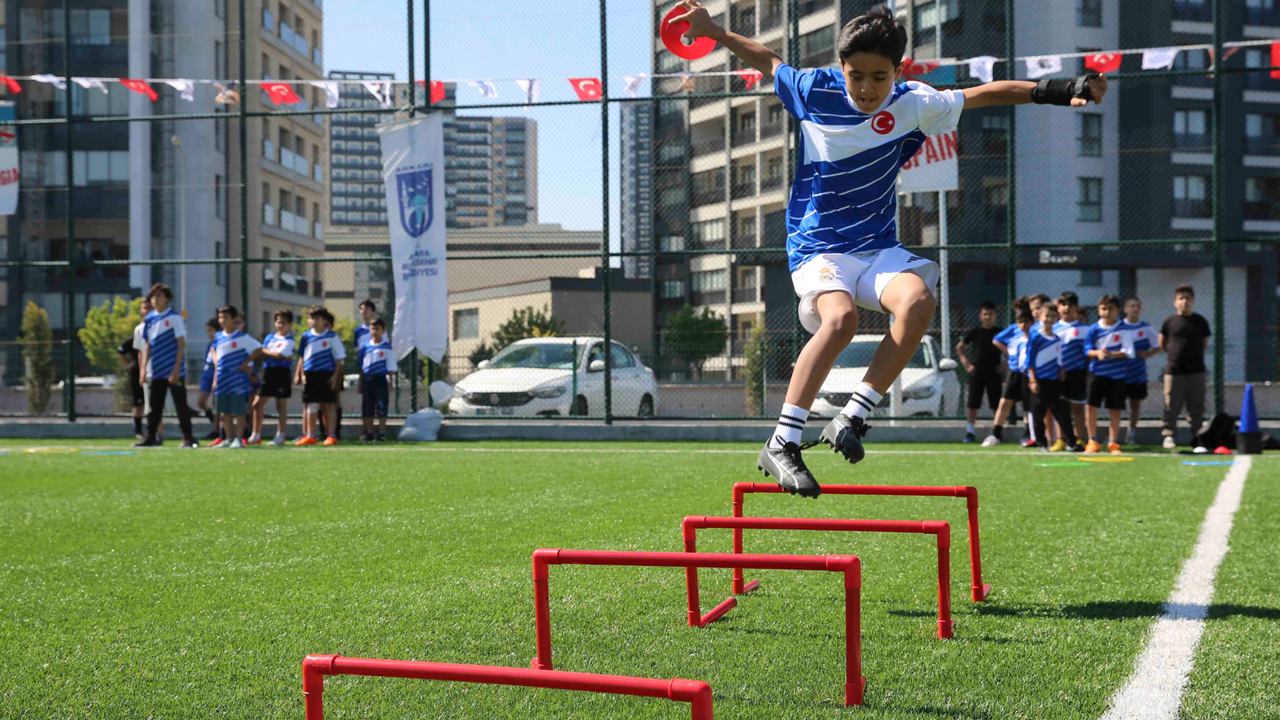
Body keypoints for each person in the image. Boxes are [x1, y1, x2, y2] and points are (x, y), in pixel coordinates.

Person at [671, 1, 1107, 496]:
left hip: (877, 246)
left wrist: (1061, 89)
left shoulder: (915, 103)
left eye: (879, 78)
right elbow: (769, 59)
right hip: (819, 244)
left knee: (919, 300)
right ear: (841, 69)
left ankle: (853, 417)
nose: (866, 89)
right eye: (856, 75)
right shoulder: (814, 91)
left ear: (898, 72)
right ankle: (782, 441)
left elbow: (986, 93)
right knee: (841, 321)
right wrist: (714, 31)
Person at [135, 283, 196, 449]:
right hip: (156, 371)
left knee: (180, 405)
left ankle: (188, 437)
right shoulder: (150, 319)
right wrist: (143, 370)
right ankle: (150, 437)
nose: (155, 300)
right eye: (153, 297)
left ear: (167, 299)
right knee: (154, 407)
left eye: (159, 296)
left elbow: (181, 343)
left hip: (173, 371)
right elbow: (147, 345)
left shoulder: (174, 317)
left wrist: (176, 369)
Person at [1159, 285, 1211, 450]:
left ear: (1193, 301)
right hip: (1174, 371)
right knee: (1171, 406)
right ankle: (1169, 436)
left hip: (1196, 371)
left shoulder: (1200, 321)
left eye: (1187, 298)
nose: (1184, 301)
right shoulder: (1169, 321)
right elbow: (1162, 343)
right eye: (1181, 298)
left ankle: (1197, 437)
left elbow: (1204, 343)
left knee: (1196, 406)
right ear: (1175, 302)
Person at [1026, 303, 1079, 452]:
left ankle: (1072, 443)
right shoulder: (1036, 337)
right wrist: (1032, 379)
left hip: (1054, 380)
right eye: (1047, 316)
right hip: (1039, 380)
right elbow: (1030, 360)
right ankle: (1042, 444)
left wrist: (1061, 370)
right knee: (1039, 413)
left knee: (1062, 412)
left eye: (1053, 316)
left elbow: (1059, 357)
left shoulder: (1057, 338)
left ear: (1057, 318)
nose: (1049, 319)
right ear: (1040, 317)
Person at [209, 305, 261, 450]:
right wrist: (215, 361)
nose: (222, 320)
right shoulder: (218, 336)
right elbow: (213, 348)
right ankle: (228, 438)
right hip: (222, 377)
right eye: (220, 317)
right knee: (224, 410)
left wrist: (245, 363)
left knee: (239, 410)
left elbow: (258, 349)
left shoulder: (242, 337)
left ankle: (239, 438)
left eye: (226, 317)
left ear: (234, 320)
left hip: (238, 379)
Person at [982, 306, 1033, 447]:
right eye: (1020, 321)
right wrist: (1009, 353)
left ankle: (1027, 435)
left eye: (1026, 321)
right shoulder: (1013, 330)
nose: (1023, 324)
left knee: (1028, 405)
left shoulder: (1035, 332)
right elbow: (996, 340)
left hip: (1028, 372)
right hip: (1014, 371)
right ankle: (996, 433)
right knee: (1004, 402)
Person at [1084, 294, 1128, 455]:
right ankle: (1092, 441)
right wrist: (1097, 353)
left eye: (1111, 308)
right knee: (1090, 407)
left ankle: (1113, 443)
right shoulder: (1093, 329)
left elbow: (1128, 351)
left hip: (1117, 376)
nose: (1107, 311)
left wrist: (1112, 354)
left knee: (1114, 409)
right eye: (1104, 308)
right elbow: (1087, 349)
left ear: (1117, 310)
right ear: (1098, 310)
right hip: (1097, 374)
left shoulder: (1123, 328)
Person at [295, 307, 345, 446]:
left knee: (329, 405)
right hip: (311, 374)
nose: (314, 321)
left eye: (317, 318)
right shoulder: (306, 336)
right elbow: (302, 356)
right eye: (312, 318)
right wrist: (302, 374)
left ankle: (331, 435)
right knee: (311, 404)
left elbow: (339, 358)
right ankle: (310, 435)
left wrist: (335, 377)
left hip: (326, 374)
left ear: (324, 320)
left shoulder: (332, 336)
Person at [956, 301, 1003, 443]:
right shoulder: (975, 332)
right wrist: (965, 363)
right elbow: (960, 347)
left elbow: (1012, 349)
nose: (988, 317)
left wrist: (1006, 364)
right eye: (985, 314)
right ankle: (970, 433)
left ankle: (997, 433)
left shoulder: (1000, 333)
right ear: (980, 316)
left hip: (995, 372)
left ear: (995, 316)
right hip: (977, 372)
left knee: (996, 404)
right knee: (972, 404)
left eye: (991, 314)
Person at [1119, 296, 1161, 446]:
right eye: (1132, 306)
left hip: (1137, 373)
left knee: (1134, 405)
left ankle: (1131, 434)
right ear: (1125, 309)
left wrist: (1149, 354)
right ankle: (1114, 436)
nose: (1135, 309)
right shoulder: (1119, 327)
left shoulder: (1146, 328)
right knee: (1116, 405)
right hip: (1119, 373)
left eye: (1138, 306)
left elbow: (1160, 343)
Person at [253, 310, 296, 446]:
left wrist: (263, 350)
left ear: (289, 324)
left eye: (283, 323)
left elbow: (278, 354)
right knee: (257, 404)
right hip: (268, 372)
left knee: (281, 405)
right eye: (278, 322)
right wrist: (266, 352)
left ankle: (280, 435)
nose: (280, 325)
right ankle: (256, 434)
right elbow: (266, 353)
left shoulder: (289, 340)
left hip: (282, 373)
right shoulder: (270, 338)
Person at [1052, 292, 1089, 451]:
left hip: (1077, 373)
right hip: (1057, 374)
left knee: (1078, 409)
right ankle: (1061, 439)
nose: (1066, 308)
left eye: (1070, 305)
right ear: (1058, 307)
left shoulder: (1085, 329)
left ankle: (1081, 439)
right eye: (1063, 304)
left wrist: (1087, 373)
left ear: (1076, 308)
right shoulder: (1052, 328)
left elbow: (1088, 354)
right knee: (1060, 409)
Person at [116, 295, 151, 440]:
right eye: (143, 310)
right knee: (139, 402)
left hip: (155, 371)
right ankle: (138, 431)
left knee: (153, 404)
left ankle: (154, 432)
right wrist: (128, 365)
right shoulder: (138, 331)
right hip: (139, 373)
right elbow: (121, 350)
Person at [360, 317, 397, 441]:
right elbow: (361, 366)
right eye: (372, 328)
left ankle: (381, 432)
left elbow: (391, 366)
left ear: (383, 330)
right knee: (367, 406)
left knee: (381, 406)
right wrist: (361, 381)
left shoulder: (387, 347)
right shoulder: (365, 347)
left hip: (381, 379)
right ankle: (369, 431)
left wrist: (391, 382)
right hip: (368, 379)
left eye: (377, 328)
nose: (374, 331)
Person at [196, 318, 221, 440]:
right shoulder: (209, 344)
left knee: (216, 402)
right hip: (207, 372)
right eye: (208, 331)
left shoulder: (222, 342)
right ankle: (209, 414)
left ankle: (217, 430)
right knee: (201, 401)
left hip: (216, 372)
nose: (209, 334)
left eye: (211, 330)